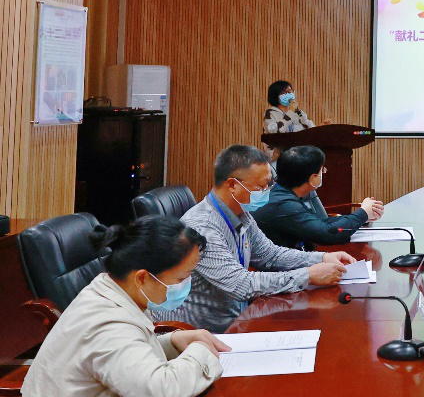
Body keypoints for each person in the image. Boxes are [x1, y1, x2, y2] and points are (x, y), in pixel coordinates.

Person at [22, 216, 229, 397]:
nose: (186, 286)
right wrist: (201, 352)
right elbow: (158, 390)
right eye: (181, 278)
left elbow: (124, 353)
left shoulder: (112, 290)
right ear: (142, 278)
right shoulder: (107, 325)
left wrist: (171, 342)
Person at [160, 145, 354, 332]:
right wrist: (308, 275)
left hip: (241, 317)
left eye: (270, 184)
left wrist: (320, 258)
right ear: (232, 185)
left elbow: (270, 255)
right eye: (262, 186)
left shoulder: (241, 213)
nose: (268, 191)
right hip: (205, 333)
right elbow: (240, 284)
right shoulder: (202, 227)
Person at [254, 145, 385, 249]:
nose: (324, 172)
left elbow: (321, 223)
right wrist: (363, 213)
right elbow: (328, 234)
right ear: (312, 178)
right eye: (322, 170)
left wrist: (362, 216)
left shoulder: (284, 193)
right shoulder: (283, 204)